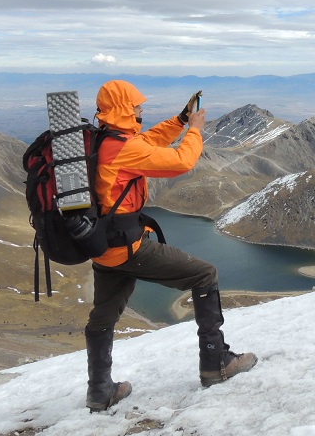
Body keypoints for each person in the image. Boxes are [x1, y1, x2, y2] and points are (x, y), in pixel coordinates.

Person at [84, 79, 257, 412]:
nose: (141, 110)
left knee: (102, 317)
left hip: (103, 248)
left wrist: (178, 120)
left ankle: (100, 391)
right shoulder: (123, 148)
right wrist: (194, 130)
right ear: (123, 109)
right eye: (136, 107)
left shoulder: (103, 140)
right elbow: (181, 162)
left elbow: (148, 140)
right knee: (204, 275)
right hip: (127, 248)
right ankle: (216, 364)